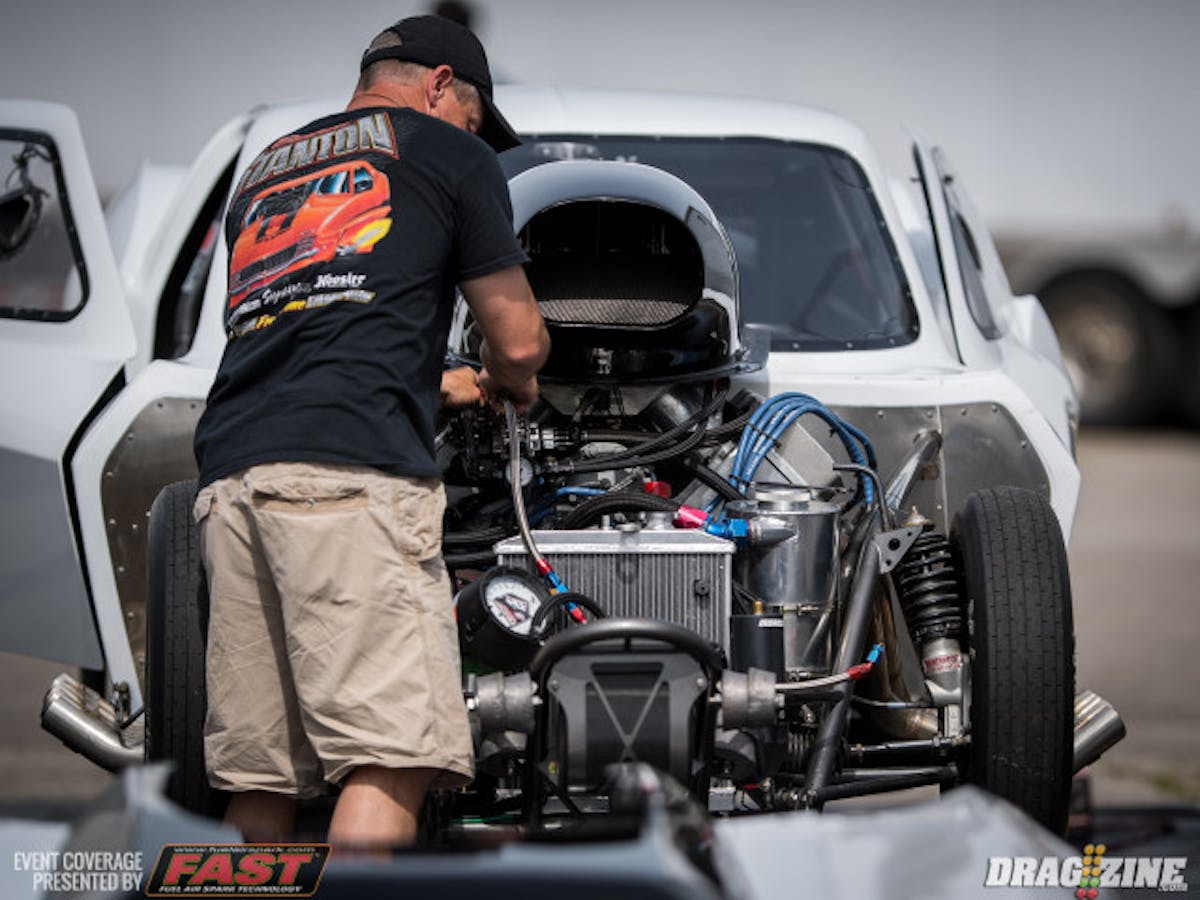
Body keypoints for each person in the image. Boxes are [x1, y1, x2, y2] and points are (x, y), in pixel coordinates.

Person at [191, 14, 549, 849]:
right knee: (395, 751)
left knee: (262, 774)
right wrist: (511, 381)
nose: (473, 139)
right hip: (346, 487)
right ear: (436, 86)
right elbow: (522, 338)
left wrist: (439, 386)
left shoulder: (267, 169)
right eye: (471, 119)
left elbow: (299, 330)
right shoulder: (446, 153)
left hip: (234, 481)